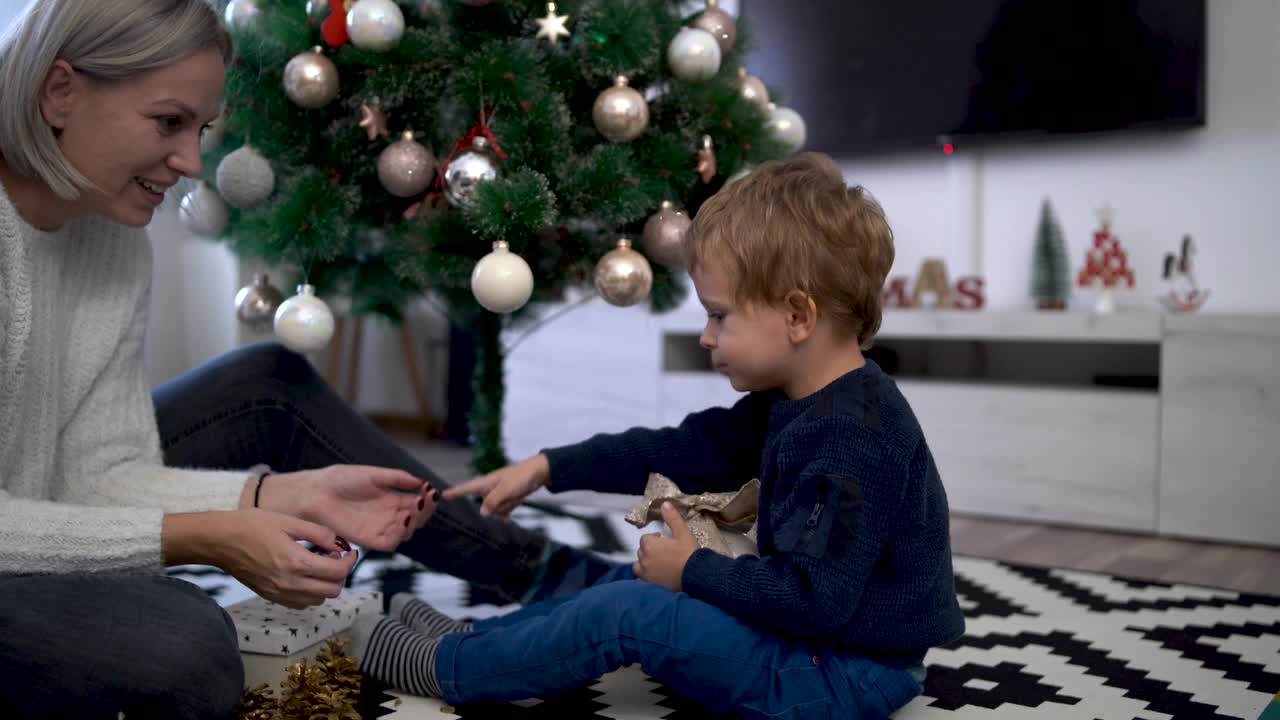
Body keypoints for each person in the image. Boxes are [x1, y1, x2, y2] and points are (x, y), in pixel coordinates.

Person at [0, 2, 609, 718]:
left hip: (30, 500)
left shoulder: (110, 234)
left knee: (267, 383)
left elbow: (90, 478)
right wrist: (205, 537)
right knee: (184, 656)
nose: (192, 163)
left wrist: (284, 496)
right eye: (168, 122)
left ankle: (552, 578)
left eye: (199, 130)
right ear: (59, 91)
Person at [350, 152, 967, 718]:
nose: (706, 336)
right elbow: (675, 449)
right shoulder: (794, 401)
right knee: (633, 578)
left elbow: (814, 600)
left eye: (719, 315)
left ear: (798, 315)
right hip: (820, 644)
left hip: (846, 674)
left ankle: (446, 669)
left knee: (632, 610)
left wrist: (695, 569)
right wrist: (547, 466)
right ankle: (480, 642)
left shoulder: (851, 436)